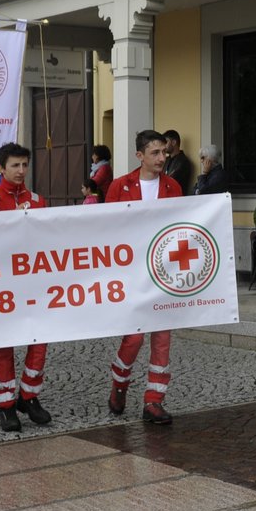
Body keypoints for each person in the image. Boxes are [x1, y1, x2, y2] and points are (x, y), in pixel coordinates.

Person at [0, 142, 55, 431]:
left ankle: (29, 396)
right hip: (0, 283)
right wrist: (10, 222)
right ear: (1, 168)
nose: (20, 171)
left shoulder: (37, 199)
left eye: (24, 165)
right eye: (14, 166)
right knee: (2, 343)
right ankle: (6, 404)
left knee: (40, 338)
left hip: (32, 282)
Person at [105, 129, 184, 424]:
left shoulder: (173, 186)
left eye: (164, 152)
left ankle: (154, 400)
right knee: (135, 336)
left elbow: (180, 227)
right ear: (140, 156)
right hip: (131, 274)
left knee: (162, 336)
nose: (162, 157)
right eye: (155, 153)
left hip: (162, 273)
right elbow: (108, 230)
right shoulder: (119, 187)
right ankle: (119, 384)